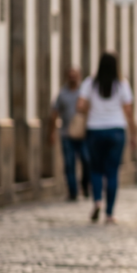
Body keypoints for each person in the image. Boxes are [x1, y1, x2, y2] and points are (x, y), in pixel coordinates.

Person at [79, 53, 135, 224]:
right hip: (116, 130)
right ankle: (109, 214)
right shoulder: (121, 84)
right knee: (112, 172)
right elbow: (128, 110)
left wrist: (92, 108)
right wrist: (133, 132)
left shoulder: (90, 83)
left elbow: (80, 106)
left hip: (95, 130)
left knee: (96, 170)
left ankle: (97, 201)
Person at [49, 67, 90, 201]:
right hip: (67, 134)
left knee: (87, 161)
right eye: (70, 75)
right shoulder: (62, 94)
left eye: (75, 75)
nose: (72, 78)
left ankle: (85, 185)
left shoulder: (84, 93)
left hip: (83, 135)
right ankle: (73, 192)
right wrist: (51, 133)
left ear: (79, 77)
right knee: (69, 163)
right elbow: (54, 114)